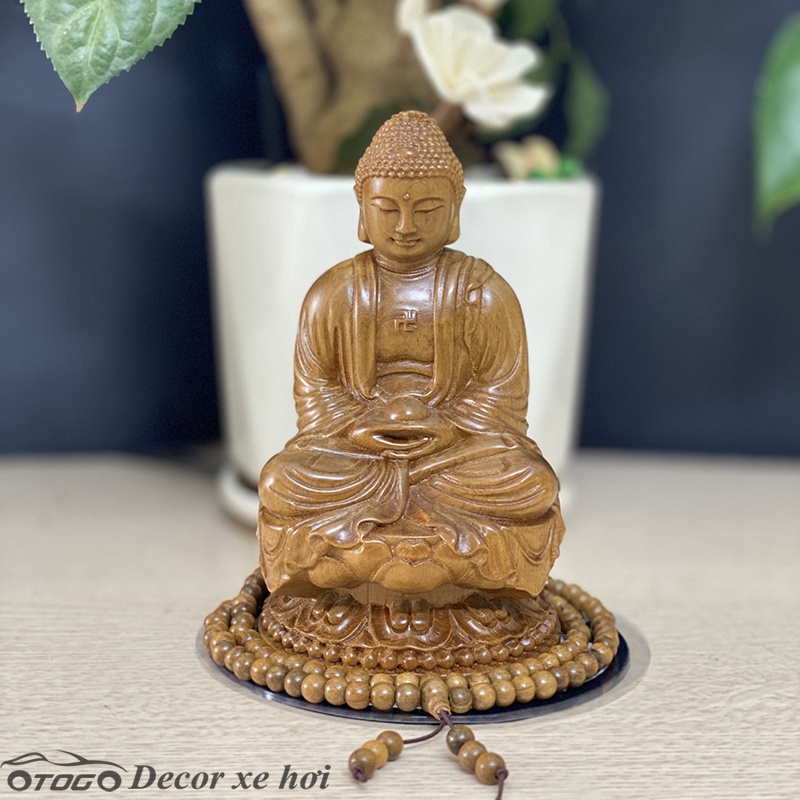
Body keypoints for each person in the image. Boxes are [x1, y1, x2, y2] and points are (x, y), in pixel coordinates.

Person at [258, 111, 564, 601]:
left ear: (454, 209)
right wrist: (360, 428)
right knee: (281, 480)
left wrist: (447, 429)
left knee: (533, 483)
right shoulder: (333, 292)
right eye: (387, 209)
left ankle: (401, 517)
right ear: (362, 208)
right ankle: (402, 516)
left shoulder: (484, 292)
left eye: (426, 211)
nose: (405, 227)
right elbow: (315, 392)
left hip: (453, 453)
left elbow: (503, 396)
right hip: (358, 449)